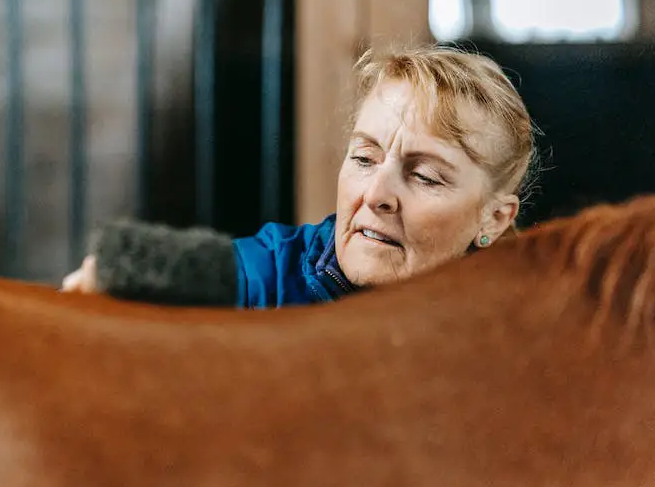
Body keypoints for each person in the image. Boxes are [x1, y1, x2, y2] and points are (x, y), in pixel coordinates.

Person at [61, 43, 540, 308]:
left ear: (494, 220)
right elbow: (241, 271)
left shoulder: (523, 332)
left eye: (426, 177)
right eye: (364, 159)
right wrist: (127, 269)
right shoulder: (283, 273)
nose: (376, 194)